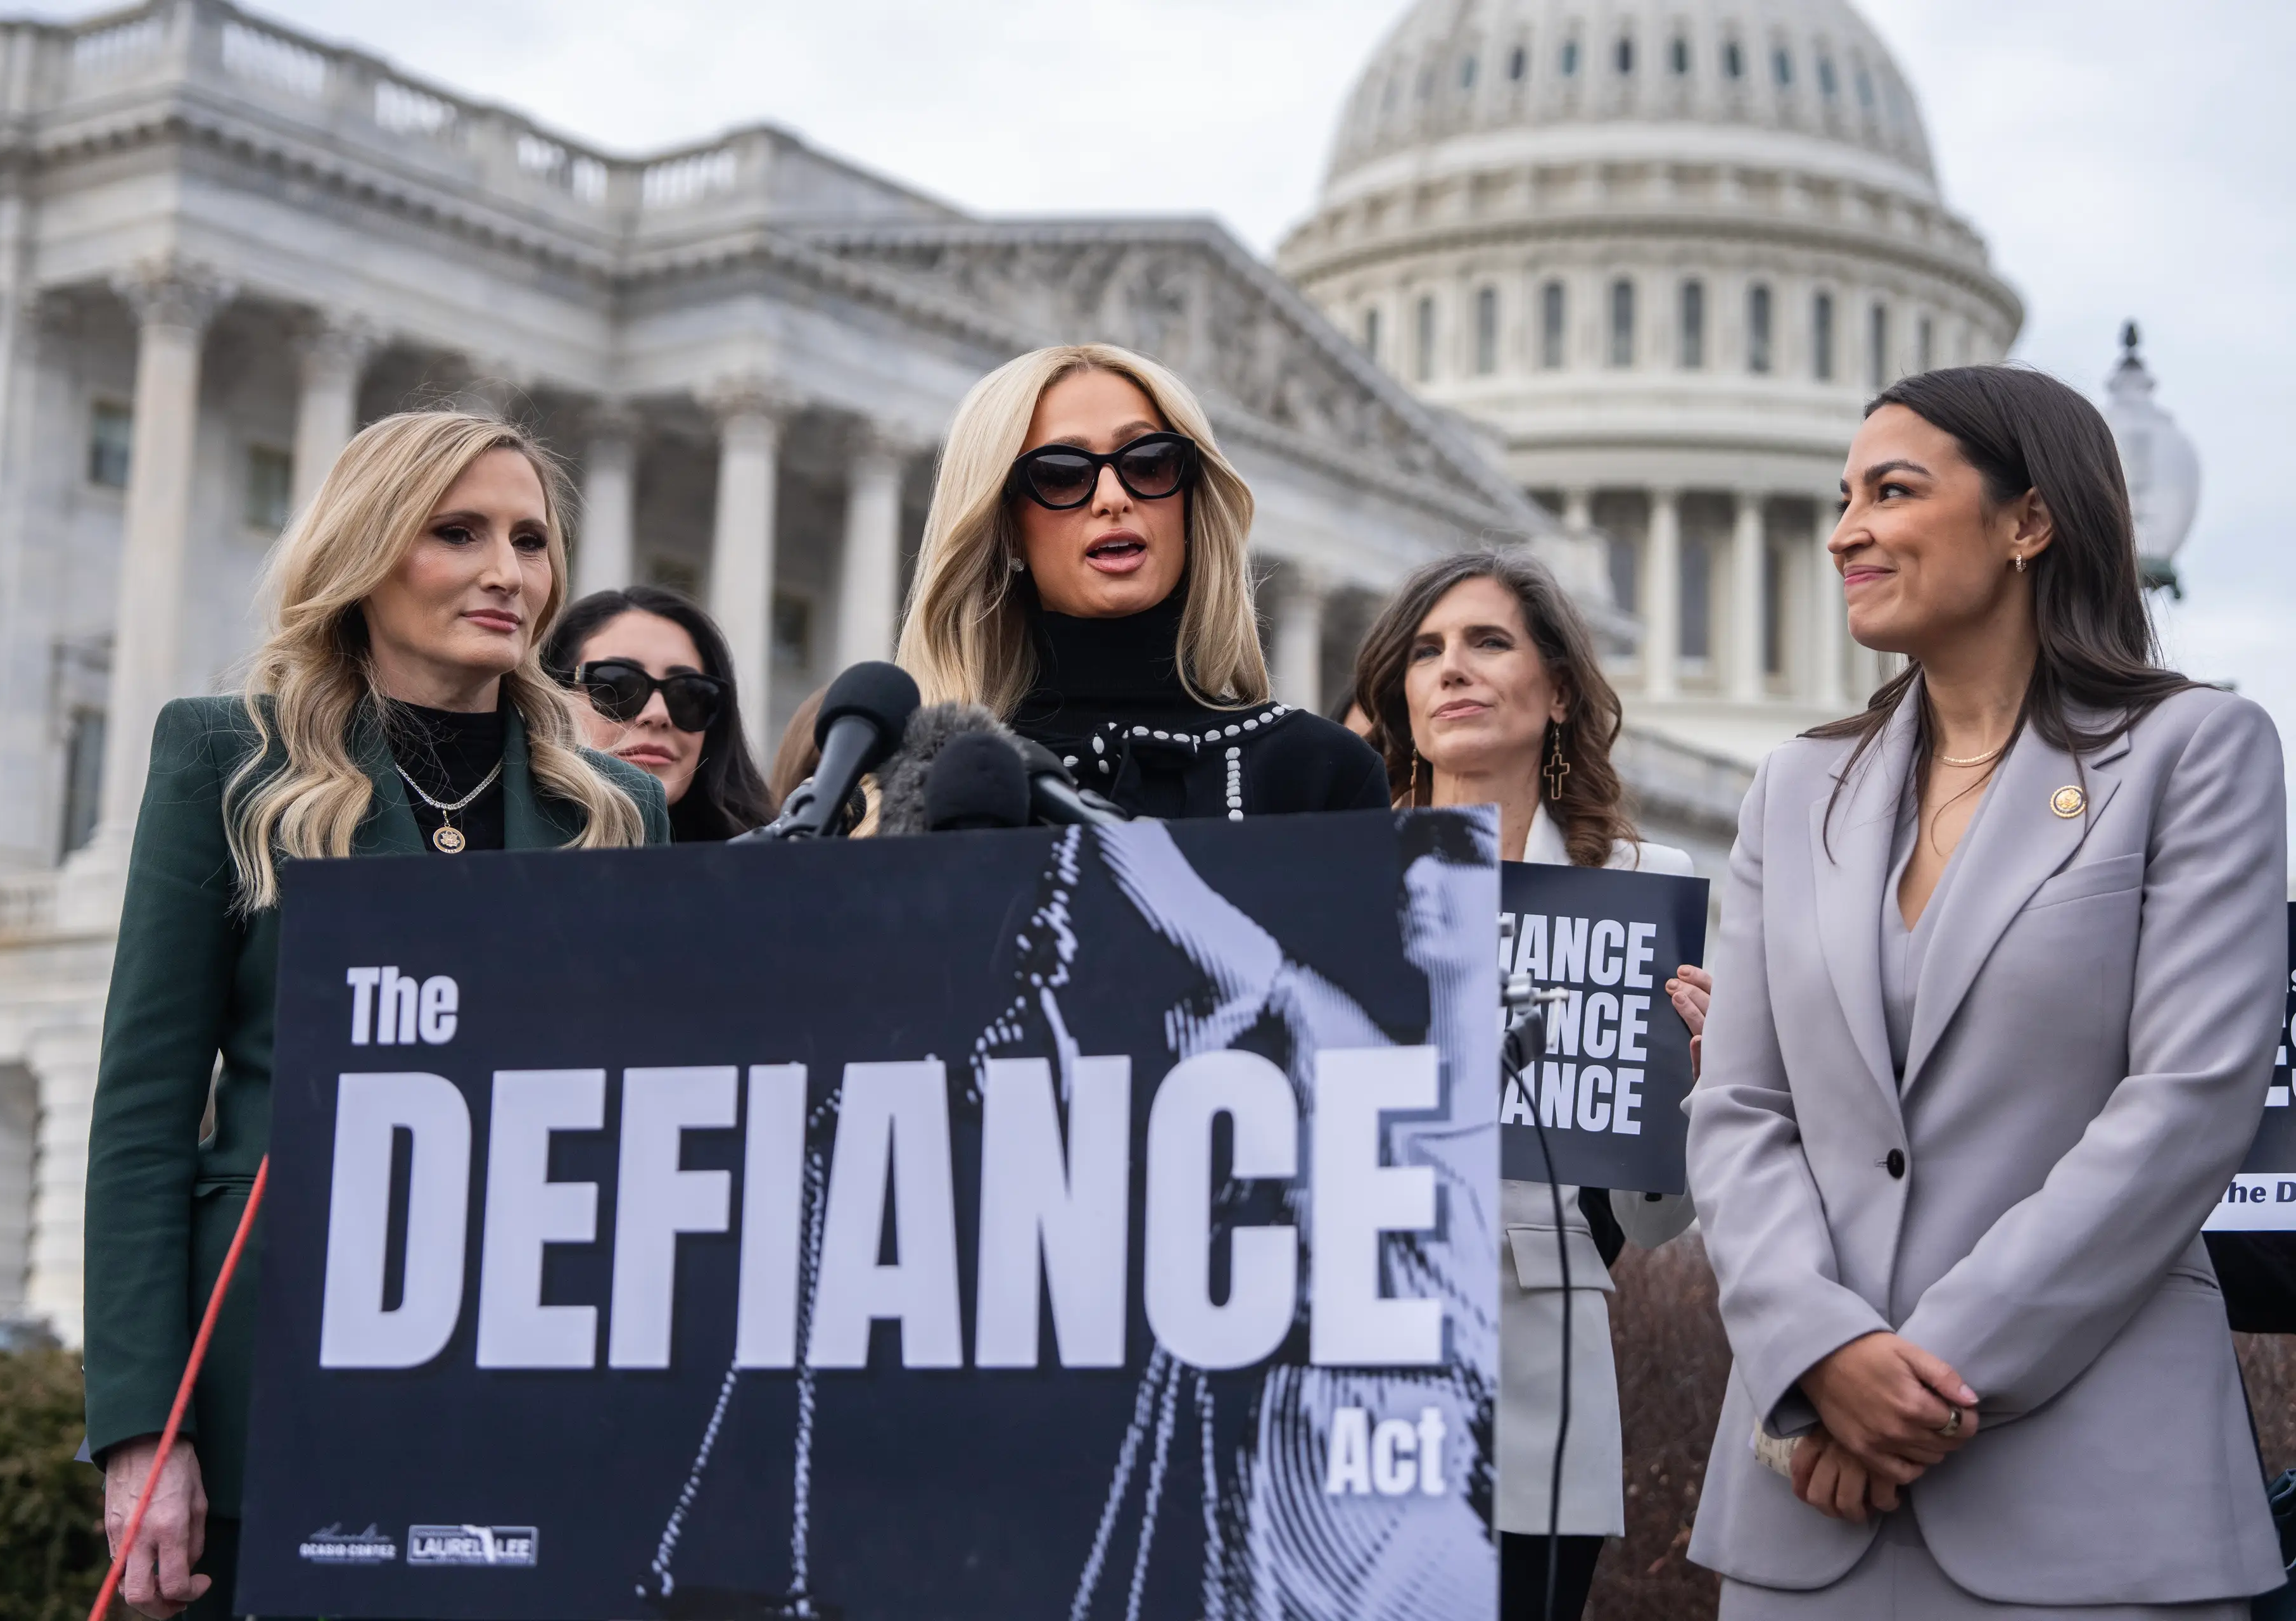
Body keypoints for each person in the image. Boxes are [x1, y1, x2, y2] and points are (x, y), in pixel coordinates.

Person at [1684, 365, 2286, 1616]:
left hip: (2093, 1498)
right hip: (1813, 1509)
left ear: (2030, 519)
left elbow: (2186, 1102)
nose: (1846, 528)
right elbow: (1741, 1109)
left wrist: (1915, 1381)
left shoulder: (2196, 755)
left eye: (1893, 491)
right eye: (1842, 496)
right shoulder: (1795, 791)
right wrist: (1820, 1354)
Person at [83, 411, 669, 1620]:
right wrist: (145, 1432)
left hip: (530, 1378)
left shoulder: (614, 808)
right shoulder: (224, 761)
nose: (510, 573)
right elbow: (144, 1116)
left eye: (531, 539)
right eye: (458, 534)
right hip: (270, 1390)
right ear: (365, 550)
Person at [1352, 548, 1708, 1620]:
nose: (1452, 670)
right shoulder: (1332, 883)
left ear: (1557, 691)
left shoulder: (1642, 896)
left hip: (1538, 1377)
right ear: (1402, 699)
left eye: (1487, 643)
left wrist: (1686, 1080)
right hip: (1354, 1356)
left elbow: (1653, 1225)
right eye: (1426, 652)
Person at [896, 342, 1385, 818]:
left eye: (1148, 464)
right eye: (1061, 474)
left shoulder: (1324, 772)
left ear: (1191, 503)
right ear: (1006, 529)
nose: (1113, 497)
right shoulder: (930, 788)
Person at [543, 584, 774, 840]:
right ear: (551, 695)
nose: (659, 714)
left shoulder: (763, 871)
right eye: (618, 686)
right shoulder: (496, 848)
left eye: (689, 695)